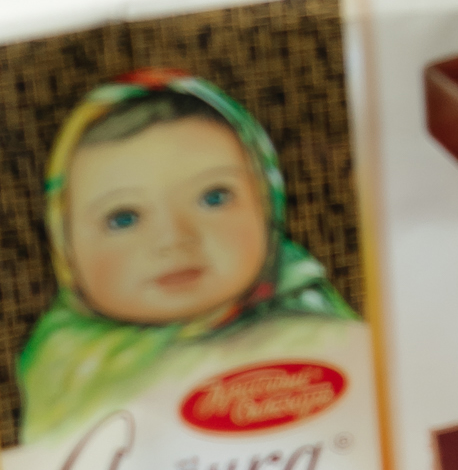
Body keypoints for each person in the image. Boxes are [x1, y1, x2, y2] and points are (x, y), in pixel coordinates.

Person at [18, 72, 357, 441]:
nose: (175, 239)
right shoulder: (65, 369)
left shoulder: (321, 335)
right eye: (124, 218)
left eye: (214, 198)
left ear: (266, 201)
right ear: (66, 247)